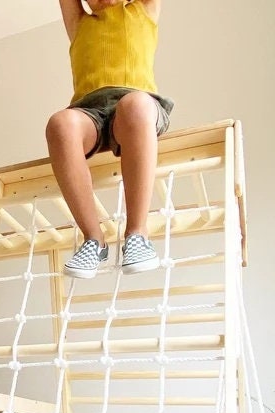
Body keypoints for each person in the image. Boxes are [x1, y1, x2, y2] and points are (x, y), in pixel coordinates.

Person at [46, 0, 174, 279]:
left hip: (136, 112)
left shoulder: (144, 10)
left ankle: (137, 233)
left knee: (135, 105)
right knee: (60, 124)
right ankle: (93, 238)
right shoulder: (79, 23)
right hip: (90, 113)